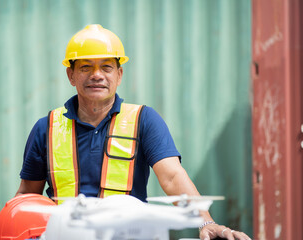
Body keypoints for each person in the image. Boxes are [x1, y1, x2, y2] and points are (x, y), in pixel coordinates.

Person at [14, 24, 251, 240]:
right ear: (71, 75)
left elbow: (172, 176)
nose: (97, 75)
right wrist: (10, 221)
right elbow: (28, 194)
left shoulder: (144, 120)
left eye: (106, 67)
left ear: (119, 75)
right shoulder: (46, 127)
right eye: (86, 67)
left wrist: (205, 222)